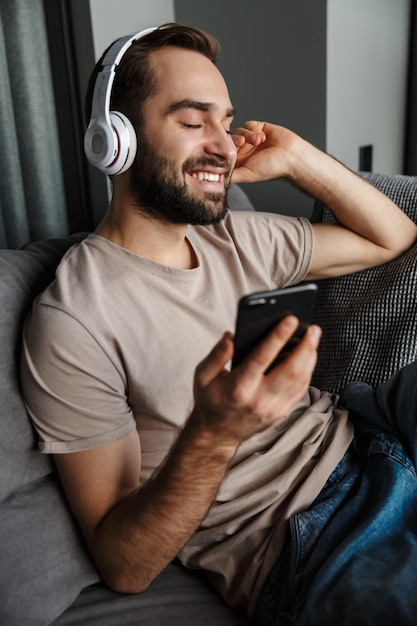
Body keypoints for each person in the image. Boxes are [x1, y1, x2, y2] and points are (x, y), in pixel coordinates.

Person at [20, 23, 417, 625]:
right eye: (191, 120)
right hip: (310, 544)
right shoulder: (74, 319)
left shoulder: (236, 235)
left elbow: (395, 236)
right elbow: (124, 566)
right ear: (113, 140)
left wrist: (299, 158)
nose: (225, 146)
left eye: (224, 120)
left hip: (374, 436)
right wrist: (214, 430)